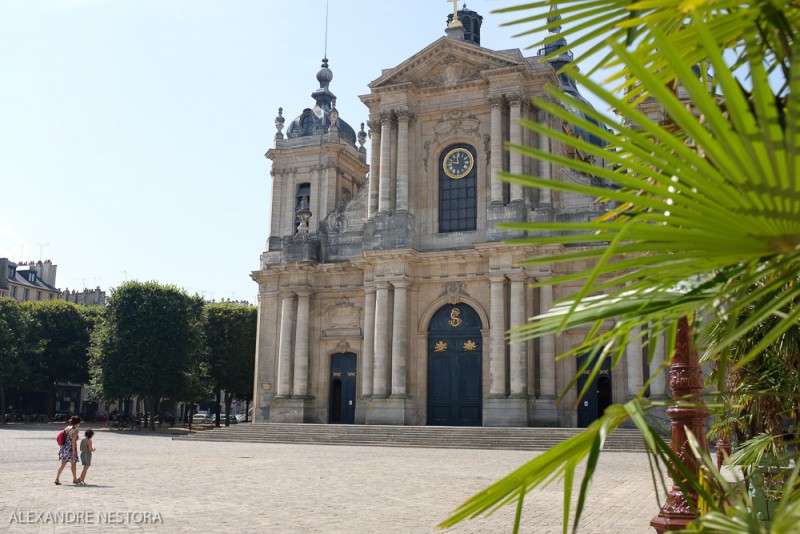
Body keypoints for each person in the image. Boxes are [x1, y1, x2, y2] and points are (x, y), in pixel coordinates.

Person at [54, 415, 82, 485]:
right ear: (77, 423)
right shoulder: (75, 431)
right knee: (73, 464)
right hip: (70, 449)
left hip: (64, 448)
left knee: (62, 465)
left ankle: (57, 478)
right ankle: (75, 479)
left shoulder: (67, 428)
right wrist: (73, 452)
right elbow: (73, 442)